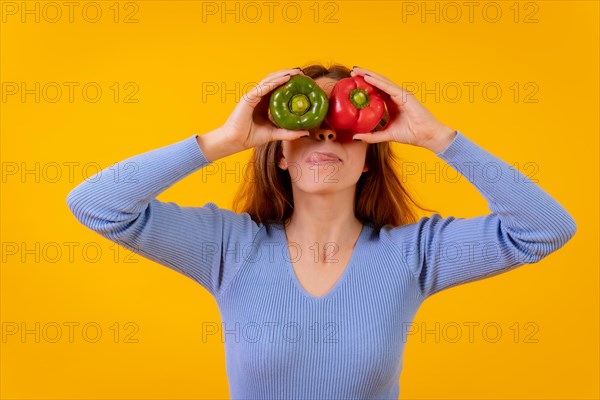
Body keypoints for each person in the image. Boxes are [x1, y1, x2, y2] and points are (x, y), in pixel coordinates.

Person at [66, 64, 577, 399]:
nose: (327, 132)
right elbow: (97, 206)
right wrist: (222, 140)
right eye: (306, 127)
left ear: (369, 159)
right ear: (281, 155)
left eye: (345, 126)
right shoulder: (227, 248)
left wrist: (440, 138)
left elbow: (545, 229)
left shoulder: (413, 255)